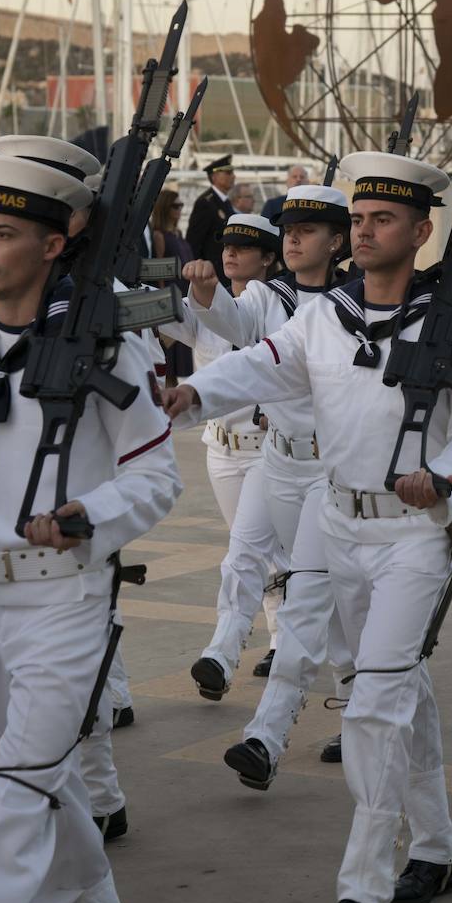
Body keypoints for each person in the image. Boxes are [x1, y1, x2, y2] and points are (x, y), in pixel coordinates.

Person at [164, 150, 452, 903]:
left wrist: (444, 475)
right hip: (339, 526)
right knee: (397, 691)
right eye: (358, 217)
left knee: (377, 707)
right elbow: (261, 364)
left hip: (413, 539)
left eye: (382, 219)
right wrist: (193, 392)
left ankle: (363, 889)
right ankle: (438, 848)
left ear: (423, 231)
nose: (364, 229)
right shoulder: (323, 317)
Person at [0, 150, 180, 903]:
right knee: (45, 785)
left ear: (55, 241)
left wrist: (86, 515)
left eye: (2, 235)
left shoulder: (111, 337)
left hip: (67, 594)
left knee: (19, 782)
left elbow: (156, 477)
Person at [181, 188, 354, 714]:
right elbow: (233, 323)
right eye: (290, 229)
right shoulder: (268, 295)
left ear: (336, 242)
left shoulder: (356, 298)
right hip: (275, 456)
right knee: (243, 555)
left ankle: (350, 698)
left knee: (331, 593)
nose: (294, 238)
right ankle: (222, 652)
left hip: (334, 468)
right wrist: (208, 294)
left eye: (307, 230)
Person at [158, 213, 287, 681]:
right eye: (227, 245)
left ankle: (270, 642)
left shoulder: (281, 308)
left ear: (269, 259)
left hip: (266, 449)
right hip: (222, 451)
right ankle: (278, 638)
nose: (231, 253)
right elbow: (172, 319)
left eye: (244, 248)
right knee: (255, 549)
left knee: (252, 551)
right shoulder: (206, 306)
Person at [151, 188, 194, 386]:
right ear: (166, 208)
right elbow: (159, 274)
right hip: (170, 298)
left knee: (181, 359)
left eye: (181, 206)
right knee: (169, 360)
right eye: (176, 206)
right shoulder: (159, 236)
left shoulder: (178, 234)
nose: (179, 210)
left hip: (184, 297)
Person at [186, 153, 234, 282]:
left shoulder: (225, 202)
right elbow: (194, 241)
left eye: (232, 172)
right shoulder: (205, 203)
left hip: (225, 269)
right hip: (212, 271)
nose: (233, 176)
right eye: (228, 173)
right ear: (214, 176)